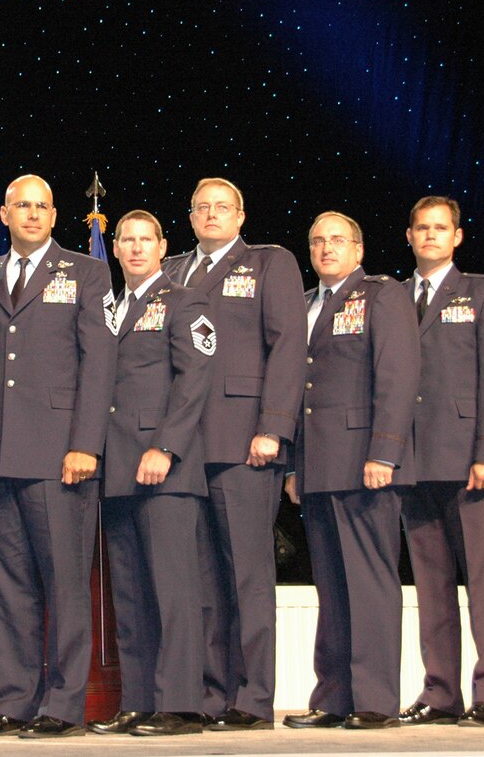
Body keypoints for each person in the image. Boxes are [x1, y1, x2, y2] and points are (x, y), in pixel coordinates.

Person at [162, 178, 307, 730]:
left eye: (223, 207)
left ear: (241, 216)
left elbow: (289, 346)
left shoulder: (270, 264)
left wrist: (273, 427)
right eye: (202, 207)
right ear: (191, 216)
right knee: (199, 581)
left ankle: (252, 697)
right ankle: (209, 691)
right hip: (183, 447)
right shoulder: (171, 269)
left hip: (244, 442)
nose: (212, 215)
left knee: (246, 575)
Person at [0, 174, 117, 738]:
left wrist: (85, 444)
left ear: (55, 215)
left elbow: (100, 362)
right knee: (9, 587)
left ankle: (64, 703)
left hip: (61, 453)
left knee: (64, 585)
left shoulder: (88, 271)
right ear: (6, 213)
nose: (32, 215)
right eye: (22, 206)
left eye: (42, 206)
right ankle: (15, 698)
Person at [284, 211, 419, 730]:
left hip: (366, 465)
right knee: (332, 587)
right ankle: (334, 697)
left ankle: (376, 701)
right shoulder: (304, 305)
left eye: (337, 240)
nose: (326, 249)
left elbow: (398, 375)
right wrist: (295, 466)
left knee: (370, 585)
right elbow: (299, 392)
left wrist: (384, 453)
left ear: (358, 251)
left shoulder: (382, 295)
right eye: (317, 241)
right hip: (318, 467)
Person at [87, 210, 213, 737]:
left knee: (173, 589)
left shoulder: (185, 301)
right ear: (113, 249)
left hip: (165, 468)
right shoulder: (110, 308)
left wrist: (166, 446)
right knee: (133, 593)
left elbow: (194, 381)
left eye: (146, 240)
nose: (136, 249)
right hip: (117, 469)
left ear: (164, 246)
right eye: (127, 241)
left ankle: (180, 704)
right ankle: (139, 699)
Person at [395, 196, 484, 727]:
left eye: (440, 228)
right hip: (412, 462)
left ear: (458, 237)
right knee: (431, 585)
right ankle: (440, 693)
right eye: (421, 228)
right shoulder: (392, 296)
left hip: (469, 461)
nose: (430, 236)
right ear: (408, 236)